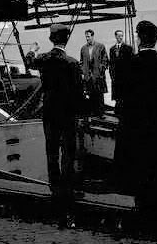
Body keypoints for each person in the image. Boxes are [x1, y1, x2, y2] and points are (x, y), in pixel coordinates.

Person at [117, 20, 157, 234]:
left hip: (135, 131)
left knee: (139, 171)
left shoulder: (127, 64)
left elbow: (120, 100)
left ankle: (142, 212)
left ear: (139, 39)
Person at [26, 24, 84, 229]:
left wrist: (33, 48)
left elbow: (30, 61)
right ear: (66, 40)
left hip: (50, 112)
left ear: (51, 39)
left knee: (51, 149)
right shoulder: (72, 63)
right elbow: (78, 92)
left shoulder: (43, 59)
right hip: (68, 113)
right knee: (68, 150)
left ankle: (54, 187)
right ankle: (67, 188)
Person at [79, 29, 108, 116]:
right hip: (88, 76)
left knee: (99, 95)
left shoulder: (100, 46)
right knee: (89, 95)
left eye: (88, 36)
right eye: (86, 37)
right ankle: (92, 115)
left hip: (98, 76)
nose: (87, 38)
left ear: (92, 36)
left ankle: (101, 114)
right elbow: (81, 61)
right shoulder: (83, 48)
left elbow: (105, 60)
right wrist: (83, 71)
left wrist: (101, 70)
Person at [108, 29, 133, 112]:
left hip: (124, 75)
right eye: (119, 36)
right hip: (115, 76)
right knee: (116, 93)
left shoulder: (128, 48)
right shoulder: (112, 49)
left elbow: (131, 62)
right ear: (115, 36)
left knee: (124, 93)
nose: (120, 37)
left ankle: (122, 108)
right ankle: (118, 107)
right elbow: (111, 63)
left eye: (122, 36)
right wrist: (111, 74)